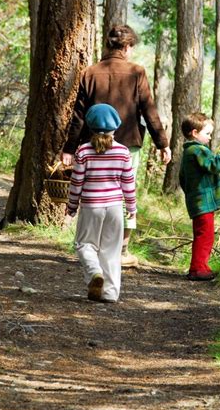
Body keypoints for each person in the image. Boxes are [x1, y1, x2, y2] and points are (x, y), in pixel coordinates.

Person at [62, 24, 171, 268]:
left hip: (93, 144)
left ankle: (94, 246)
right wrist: (162, 143)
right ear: (126, 46)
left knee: (94, 190)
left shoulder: (90, 72)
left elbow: (79, 115)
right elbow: (149, 111)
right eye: (132, 47)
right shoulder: (136, 72)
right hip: (128, 144)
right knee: (125, 192)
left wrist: (70, 149)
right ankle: (121, 250)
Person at [66, 104, 136, 303]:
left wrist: (71, 207)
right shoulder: (123, 152)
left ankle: (94, 271)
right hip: (115, 207)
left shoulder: (83, 151)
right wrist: (132, 208)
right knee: (111, 251)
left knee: (84, 244)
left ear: (90, 127)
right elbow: (128, 183)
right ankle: (110, 293)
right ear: (116, 127)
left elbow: (76, 182)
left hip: (91, 206)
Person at [179, 112, 220, 281]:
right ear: (194, 133)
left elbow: (182, 179)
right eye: (207, 133)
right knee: (205, 236)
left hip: (198, 201)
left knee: (204, 234)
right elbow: (215, 165)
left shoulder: (190, 152)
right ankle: (198, 269)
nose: (210, 137)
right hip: (202, 203)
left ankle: (201, 266)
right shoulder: (197, 151)